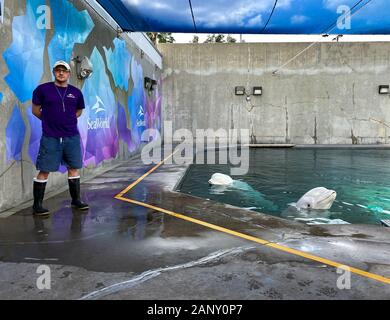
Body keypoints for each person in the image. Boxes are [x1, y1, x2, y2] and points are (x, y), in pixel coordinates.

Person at [31, 60, 89, 215]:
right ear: (54, 72)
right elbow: (36, 111)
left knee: (74, 168)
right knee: (44, 170)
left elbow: (78, 111)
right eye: (58, 70)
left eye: (64, 70)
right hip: (51, 137)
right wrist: (50, 120)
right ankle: (37, 205)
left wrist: (67, 121)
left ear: (69, 73)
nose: (61, 73)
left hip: (71, 137)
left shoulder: (76, 92)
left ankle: (76, 200)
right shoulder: (42, 90)